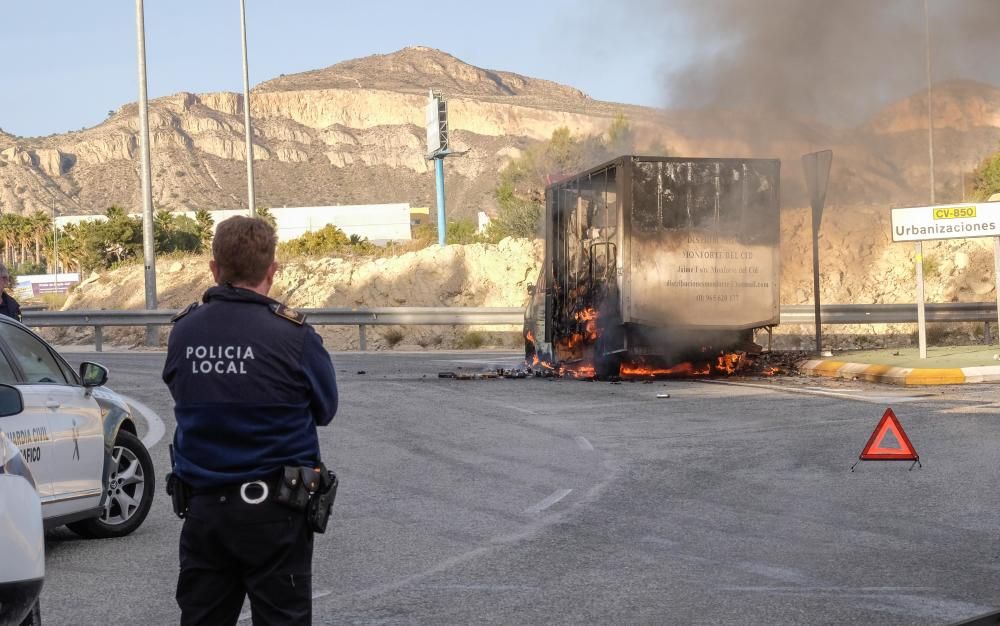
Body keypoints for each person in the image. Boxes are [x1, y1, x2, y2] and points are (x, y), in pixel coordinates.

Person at [162, 216, 338, 625]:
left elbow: (179, 389)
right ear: (272, 271)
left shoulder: (184, 332)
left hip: (204, 511)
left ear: (214, 269)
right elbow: (325, 409)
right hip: (275, 513)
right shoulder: (293, 335)